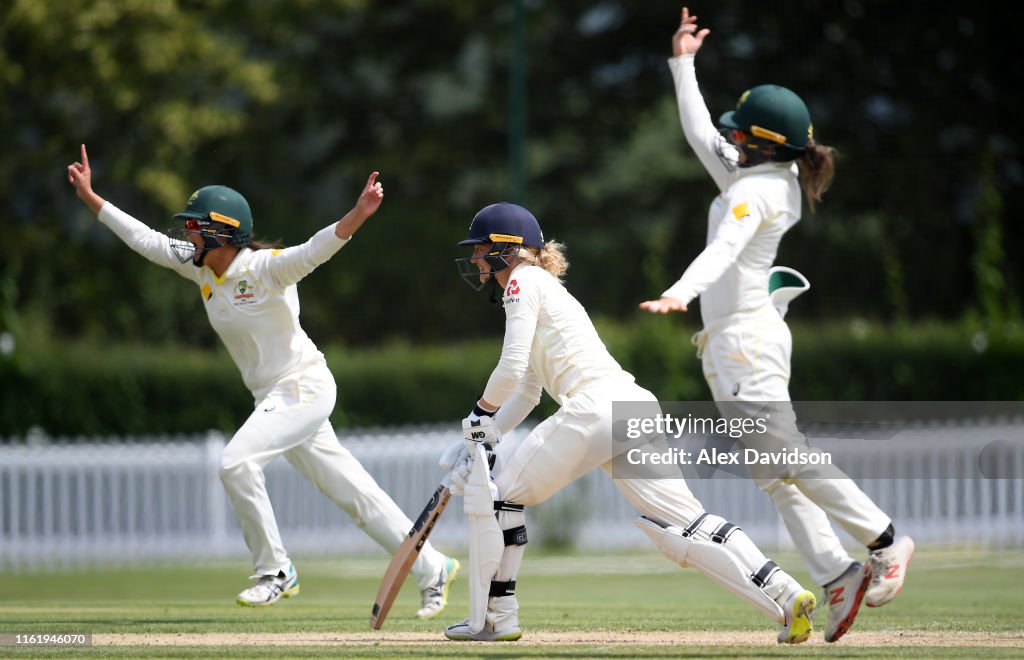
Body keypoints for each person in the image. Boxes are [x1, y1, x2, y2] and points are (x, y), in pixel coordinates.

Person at [66, 144, 459, 616]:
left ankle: (275, 571)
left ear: (222, 234)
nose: (185, 235)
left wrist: (358, 213)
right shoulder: (201, 270)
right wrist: (92, 197)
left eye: (195, 227)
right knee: (357, 496)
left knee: (234, 463)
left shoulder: (266, 268)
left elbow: (315, 250)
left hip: (303, 387)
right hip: (274, 397)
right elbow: (145, 239)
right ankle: (432, 566)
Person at [639, 7, 915, 643]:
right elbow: (701, 131)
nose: (730, 139)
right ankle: (838, 575)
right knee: (773, 471)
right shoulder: (763, 172)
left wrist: (680, 292)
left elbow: (725, 250)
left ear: (764, 144)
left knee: (786, 457)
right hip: (733, 347)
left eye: (743, 134)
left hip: (746, 344)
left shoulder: (755, 192)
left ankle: (887, 540)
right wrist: (683, 63)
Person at [440, 202, 818, 644]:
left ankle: (496, 618)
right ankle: (787, 594)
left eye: (481, 249)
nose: (474, 260)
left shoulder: (521, 282)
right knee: (687, 525)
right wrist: (488, 433)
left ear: (508, 250)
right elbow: (526, 389)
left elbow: (510, 366)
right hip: (633, 406)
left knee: (500, 500)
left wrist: (480, 413)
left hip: (595, 409)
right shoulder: (543, 288)